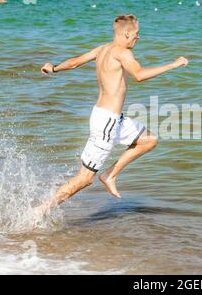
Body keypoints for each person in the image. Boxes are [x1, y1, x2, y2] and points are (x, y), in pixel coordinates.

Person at [36, 14, 188, 215]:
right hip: (107, 122)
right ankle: (42, 209)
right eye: (137, 33)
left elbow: (74, 63)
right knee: (84, 179)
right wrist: (173, 64)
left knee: (149, 140)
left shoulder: (102, 49)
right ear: (127, 33)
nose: (138, 38)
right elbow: (140, 75)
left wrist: (53, 68)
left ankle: (110, 175)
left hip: (111, 118)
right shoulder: (123, 53)